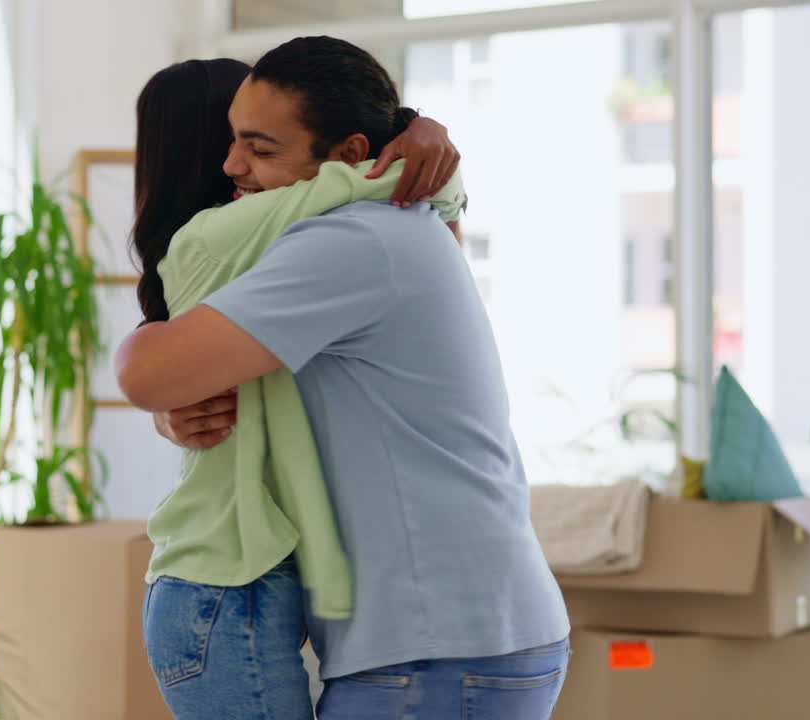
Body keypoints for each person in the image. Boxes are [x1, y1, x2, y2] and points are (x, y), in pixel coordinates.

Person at [118, 36, 570, 720]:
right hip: (462, 629)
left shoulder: (346, 243)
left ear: (350, 155)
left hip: (436, 643)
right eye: (231, 142)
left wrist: (144, 353)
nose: (233, 167)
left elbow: (150, 373)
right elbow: (195, 381)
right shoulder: (397, 223)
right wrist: (425, 142)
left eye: (260, 149)